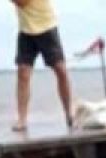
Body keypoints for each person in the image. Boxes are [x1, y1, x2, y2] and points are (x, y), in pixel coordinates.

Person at [11, 0, 73, 131]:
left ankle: (69, 113)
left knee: (60, 70)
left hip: (46, 26)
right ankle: (22, 119)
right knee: (23, 73)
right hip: (26, 29)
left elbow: (22, 2)